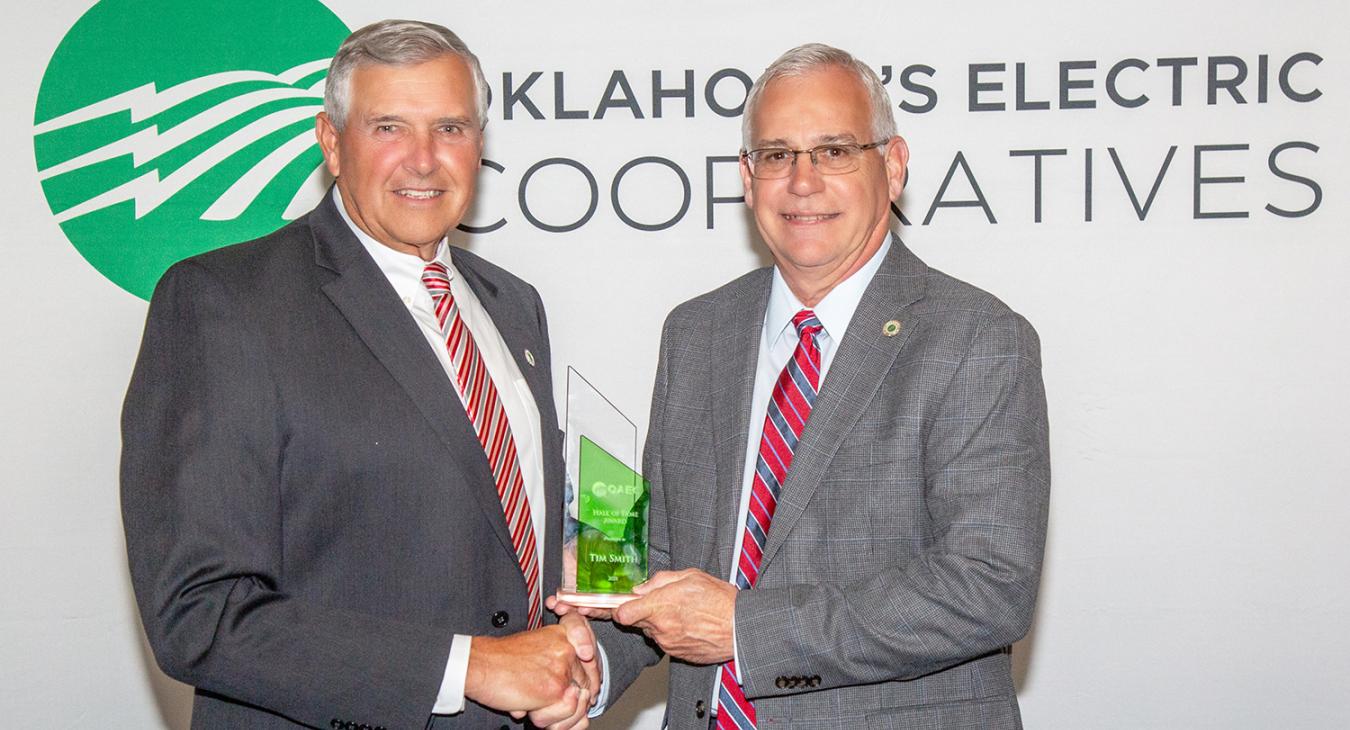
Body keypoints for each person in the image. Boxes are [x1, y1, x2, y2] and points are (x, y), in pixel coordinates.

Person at [121, 20, 599, 730]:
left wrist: (576, 625)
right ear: (330, 140)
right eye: (388, 128)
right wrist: (469, 666)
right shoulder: (226, 302)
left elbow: (488, 523)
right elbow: (198, 612)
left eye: (451, 127)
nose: (425, 160)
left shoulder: (512, 305)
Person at [562, 43, 1051, 728]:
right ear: (746, 175)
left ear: (894, 165)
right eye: (776, 154)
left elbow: (987, 585)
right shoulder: (697, 333)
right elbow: (667, 556)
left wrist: (746, 628)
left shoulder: (976, 338)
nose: (802, 180)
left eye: (834, 151)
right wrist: (591, 657)